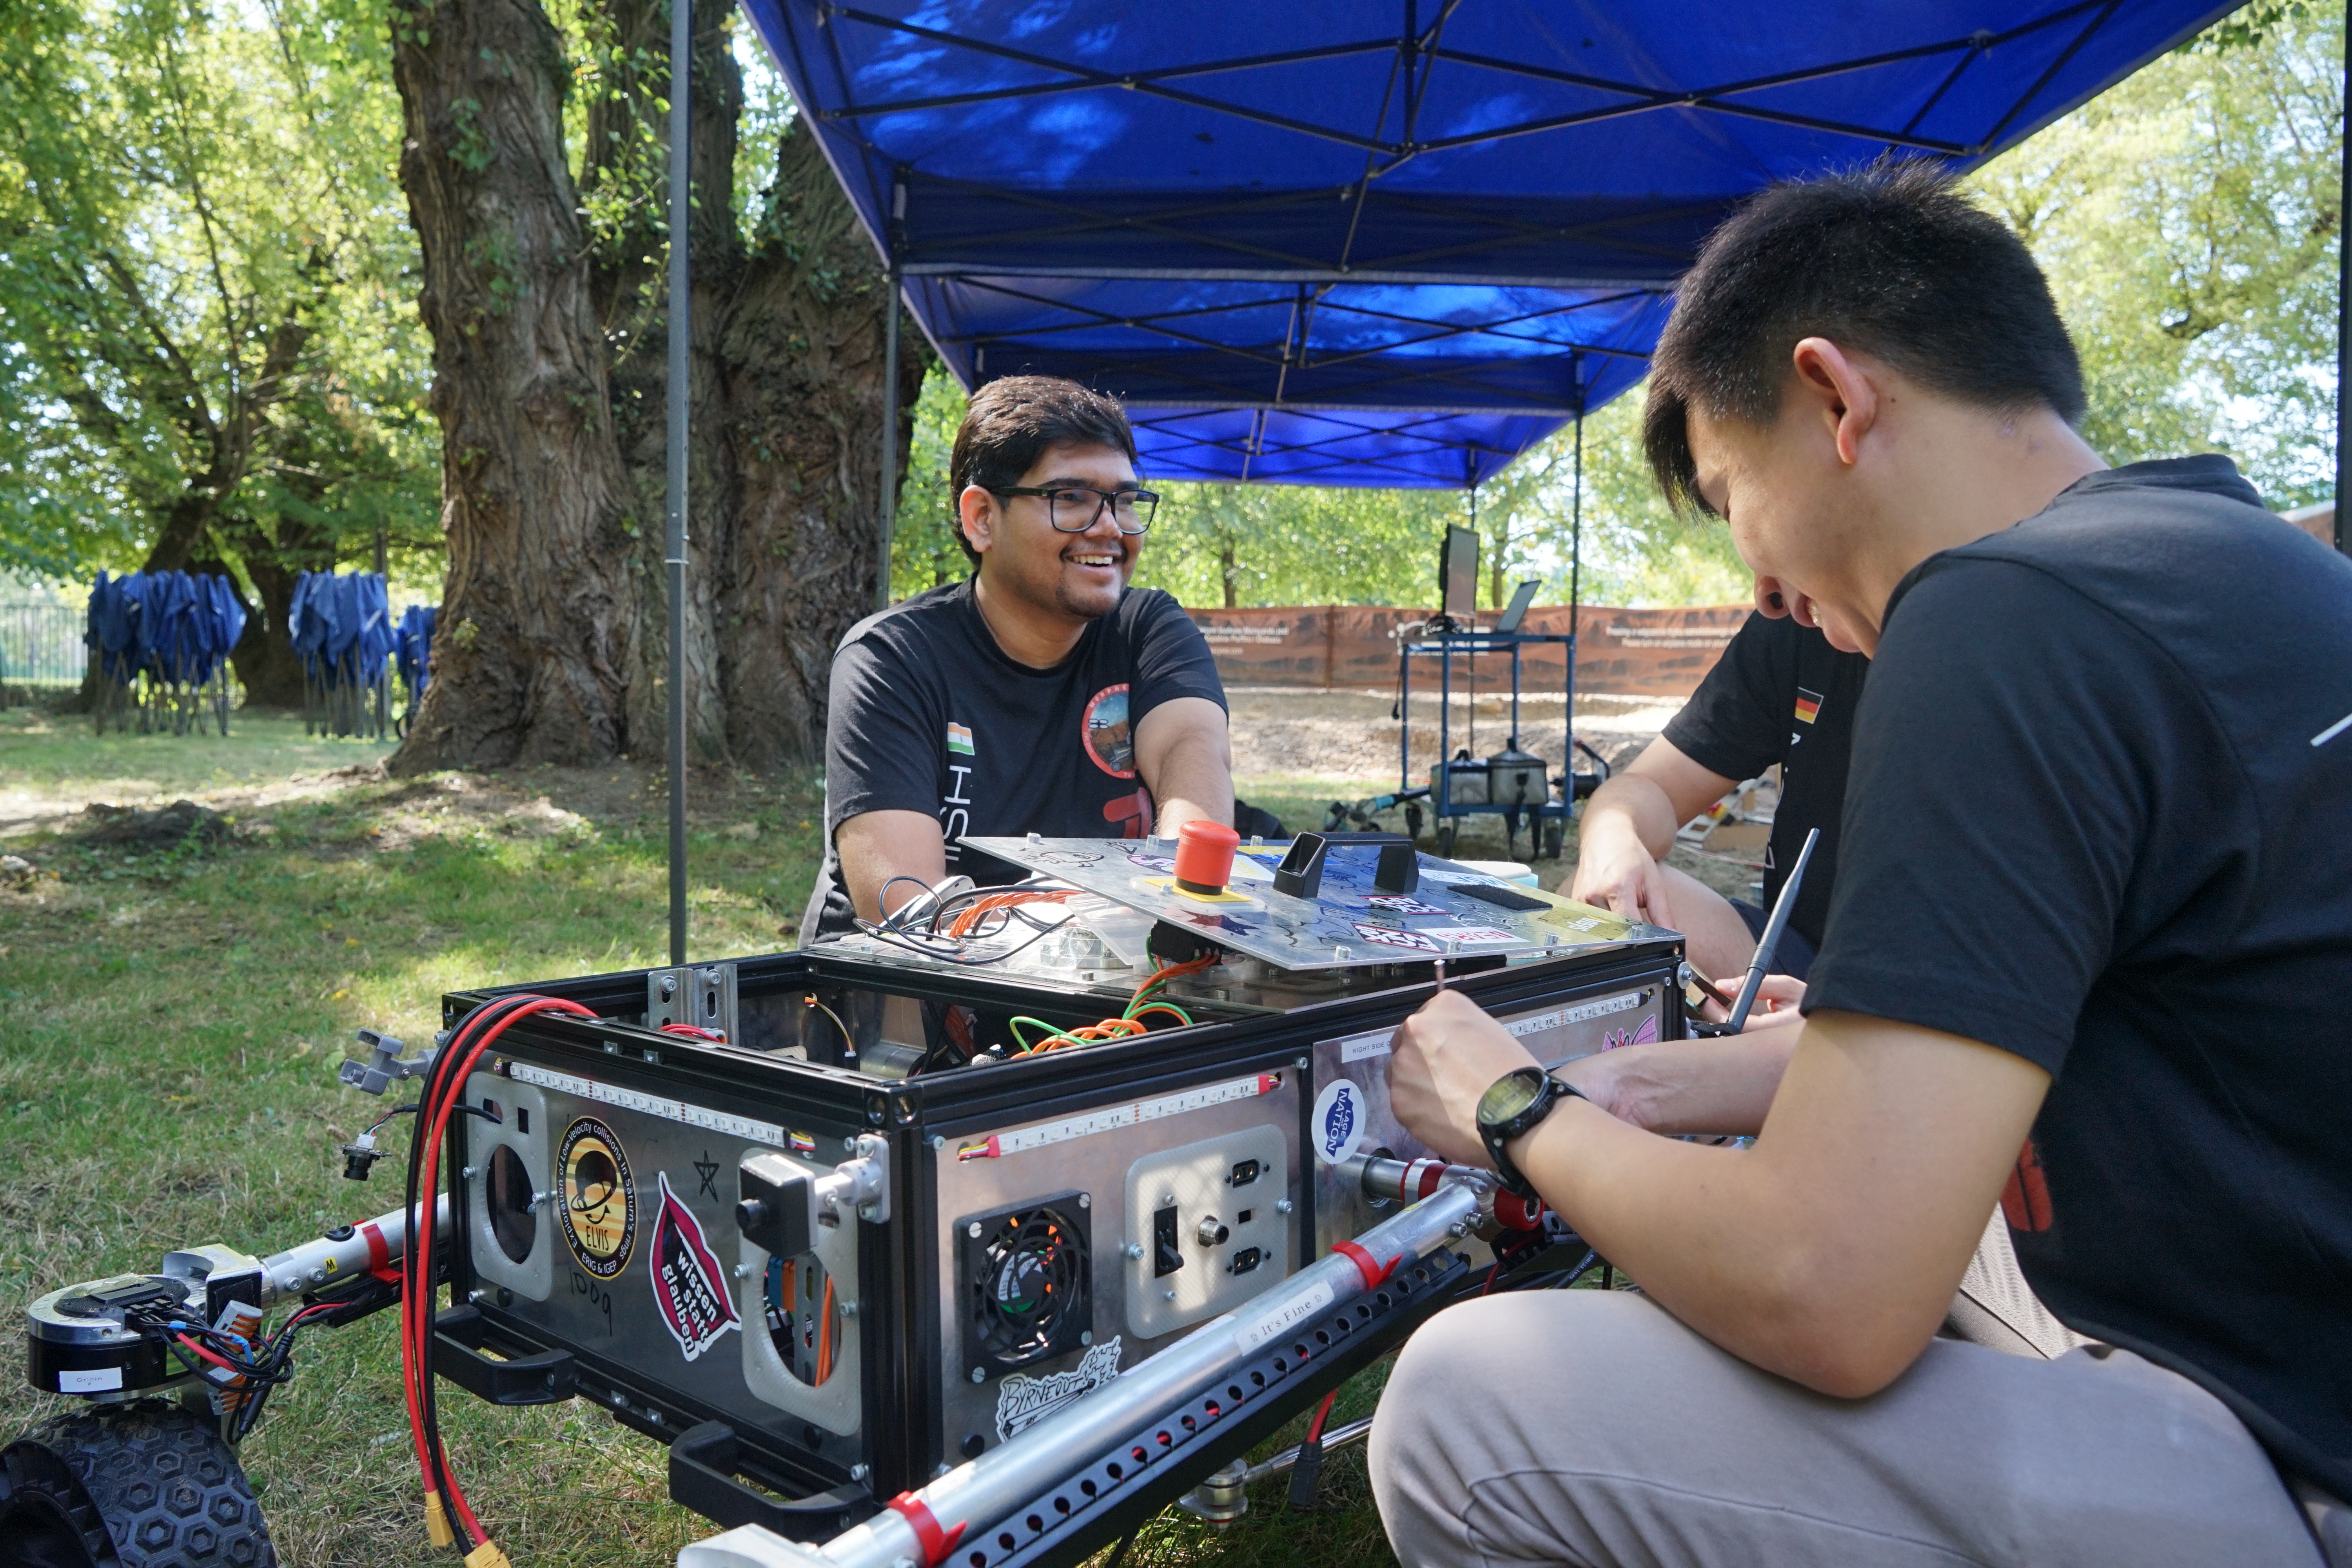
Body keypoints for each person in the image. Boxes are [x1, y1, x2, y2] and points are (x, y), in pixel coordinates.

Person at [1370, 161, 2352, 1566]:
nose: (1759, 586)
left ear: (1832, 396)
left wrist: (1516, 1104)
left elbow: (1823, 1287)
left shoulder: (2001, 612)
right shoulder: (2247, 564)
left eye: (1728, 492)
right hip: (2293, 1335)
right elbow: (2072, 1030)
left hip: (2282, 1449)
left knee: (1472, 1404)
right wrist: (1646, 1082)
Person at [803, 376, 1234, 941]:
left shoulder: (1149, 629)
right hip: (915, 1008)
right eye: (1071, 499)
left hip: (1108, 1004)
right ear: (982, 518)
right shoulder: (891, 658)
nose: (1109, 528)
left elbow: (1192, 755)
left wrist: (1181, 902)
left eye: (1124, 501)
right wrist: (1111, 926)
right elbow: (904, 910)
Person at [1570, 607, 1868, 982]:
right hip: (1798, 957)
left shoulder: (1952, 641)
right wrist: (1610, 832)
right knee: (1596, 906)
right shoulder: (1792, 625)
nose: (1765, 595)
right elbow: (1652, 786)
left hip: (1928, 1005)